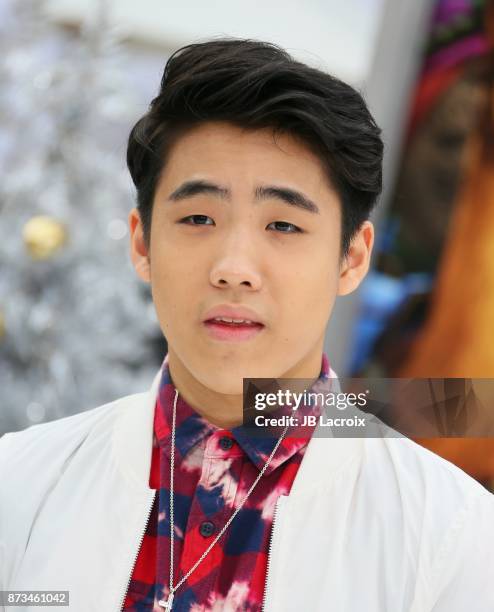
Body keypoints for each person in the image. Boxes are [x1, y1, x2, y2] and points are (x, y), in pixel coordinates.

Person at [1, 38, 493, 612]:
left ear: (352, 258)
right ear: (142, 242)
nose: (233, 269)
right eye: (198, 217)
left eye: (283, 225)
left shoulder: (451, 534)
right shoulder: (19, 484)